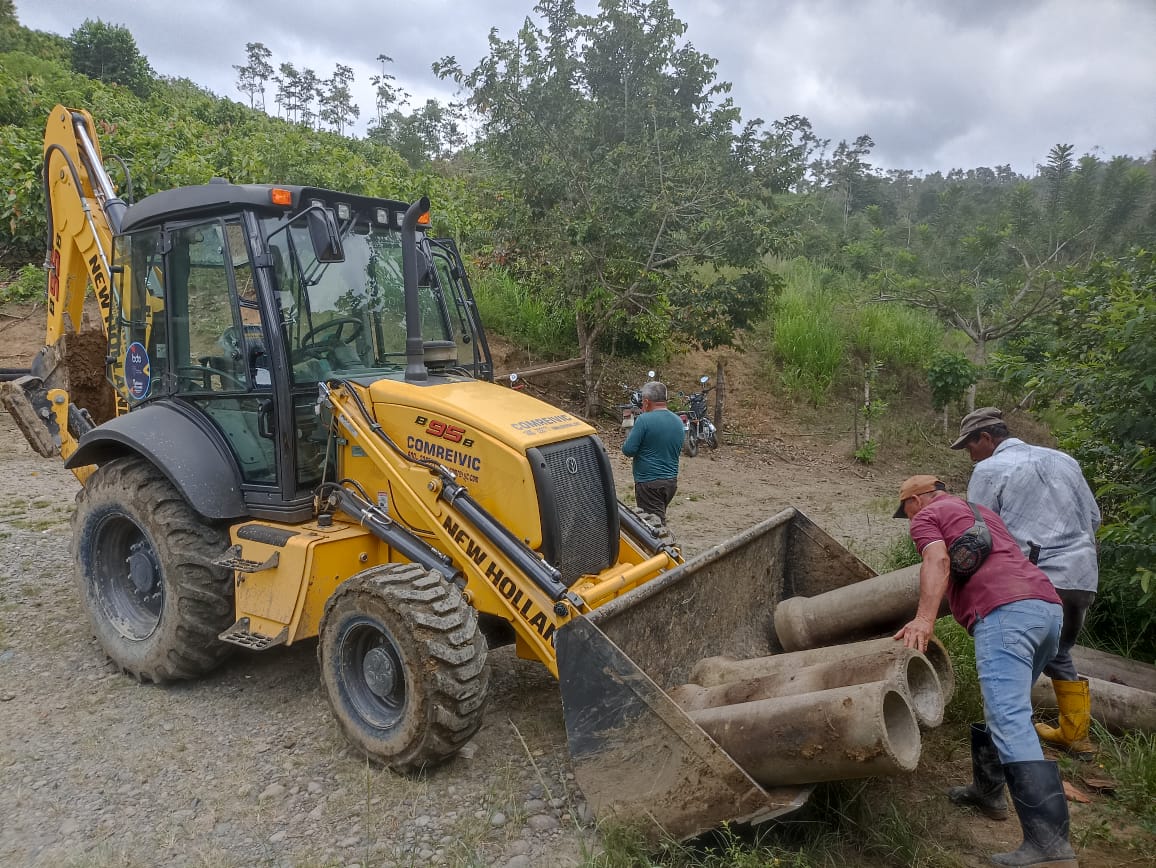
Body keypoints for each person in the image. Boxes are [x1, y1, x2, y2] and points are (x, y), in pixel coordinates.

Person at [893, 475, 1077, 868]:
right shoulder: (981, 512)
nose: (907, 516)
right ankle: (988, 792)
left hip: (1005, 613)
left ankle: (1049, 847)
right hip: (1047, 609)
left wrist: (924, 619)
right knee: (1007, 707)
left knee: (1009, 717)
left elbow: (938, 561)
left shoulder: (926, 517)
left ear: (917, 500)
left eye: (905, 508)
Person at [952, 407, 1101, 757]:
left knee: (1013, 658)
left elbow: (979, 531)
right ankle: (1075, 734)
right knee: (1058, 652)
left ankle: (1006, 740)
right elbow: (1094, 517)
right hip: (1082, 577)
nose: (969, 454)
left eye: (970, 445)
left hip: (1033, 579)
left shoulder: (989, 469)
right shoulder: (1064, 460)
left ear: (986, 438)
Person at [620, 380, 685, 524]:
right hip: (670, 482)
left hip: (649, 483)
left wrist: (629, 432)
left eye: (643, 402)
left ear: (646, 402)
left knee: (653, 527)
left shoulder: (644, 420)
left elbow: (628, 450)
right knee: (657, 517)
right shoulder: (678, 421)